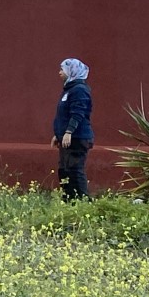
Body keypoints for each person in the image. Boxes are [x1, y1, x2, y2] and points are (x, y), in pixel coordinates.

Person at [51, 57, 93, 200]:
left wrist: (69, 132)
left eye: (62, 69)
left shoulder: (79, 90)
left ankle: (82, 201)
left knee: (75, 170)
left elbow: (78, 113)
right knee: (64, 170)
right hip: (66, 138)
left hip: (77, 137)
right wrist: (58, 134)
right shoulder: (68, 90)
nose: (59, 72)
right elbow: (63, 115)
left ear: (72, 71)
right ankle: (69, 199)